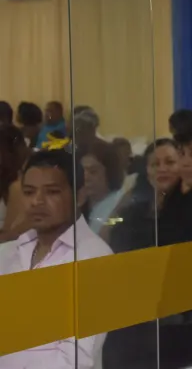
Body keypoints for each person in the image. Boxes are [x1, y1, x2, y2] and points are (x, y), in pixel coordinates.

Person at [0, 148, 112, 368]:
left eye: (51, 192)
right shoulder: (9, 253)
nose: (37, 201)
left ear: (79, 196)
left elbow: (76, 360)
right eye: (29, 192)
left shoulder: (94, 259)